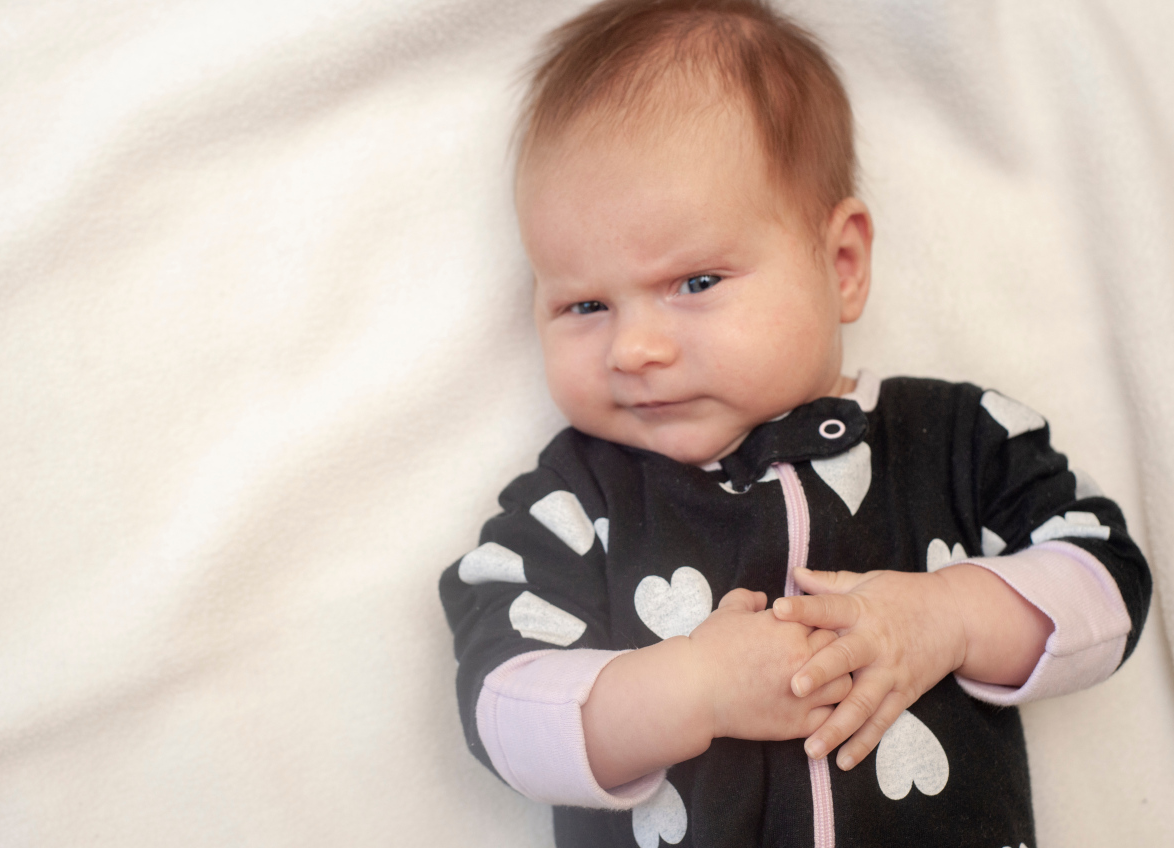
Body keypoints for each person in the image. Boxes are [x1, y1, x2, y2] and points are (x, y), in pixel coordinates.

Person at [438, 1, 1151, 845]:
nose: (633, 348)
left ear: (841, 265)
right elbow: (501, 707)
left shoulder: (955, 441)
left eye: (696, 283)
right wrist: (692, 690)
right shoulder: (573, 502)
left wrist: (950, 618)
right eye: (584, 305)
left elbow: (1108, 581)